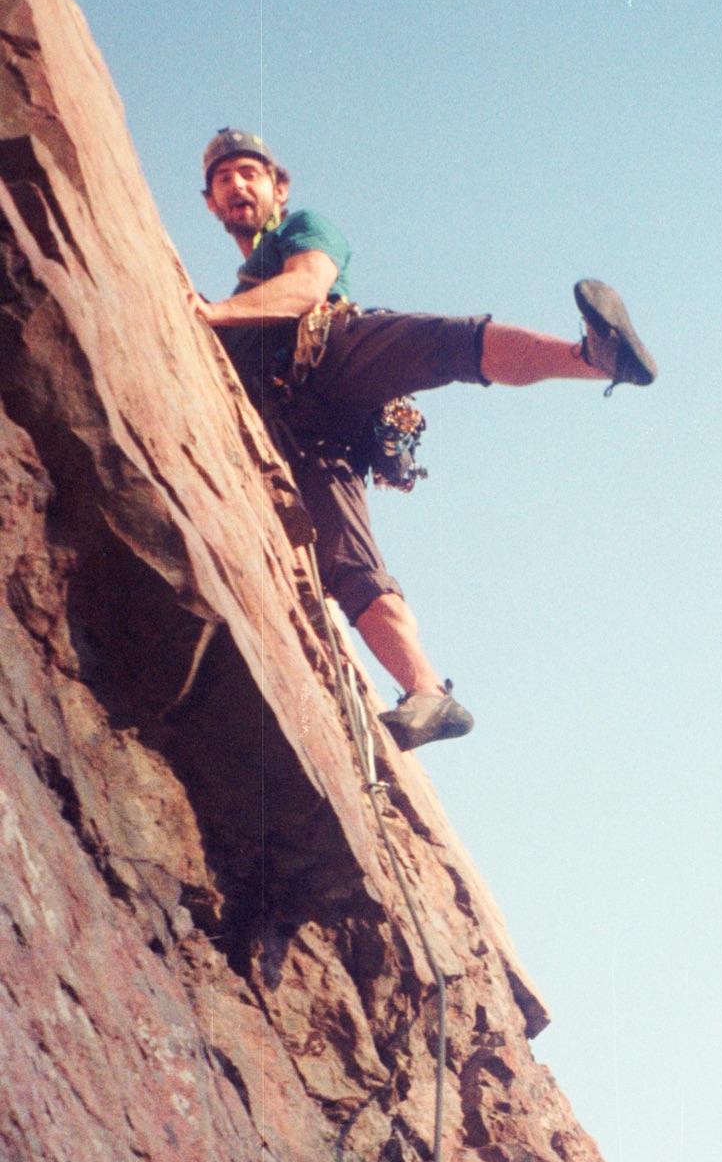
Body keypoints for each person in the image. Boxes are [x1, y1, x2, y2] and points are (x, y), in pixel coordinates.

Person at [195, 128, 656, 751]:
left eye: (249, 173)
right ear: (210, 202)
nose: (237, 185)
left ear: (279, 187)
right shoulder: (241, 288)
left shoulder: (300, 230)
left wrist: (208, 314)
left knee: (445, 344)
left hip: (333, 351)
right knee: (349, 568)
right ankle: (431, 696)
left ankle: (594, 359)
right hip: (302, 430)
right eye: (224, 179)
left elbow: (306, 288)